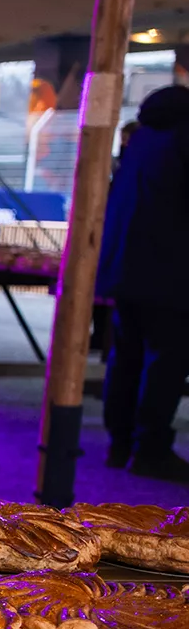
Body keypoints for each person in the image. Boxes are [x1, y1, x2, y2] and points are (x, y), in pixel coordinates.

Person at [96, 84, 189, 480]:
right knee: (165, 360)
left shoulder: (144, 138)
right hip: (170, 269)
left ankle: (121, 444)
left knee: (127, 356)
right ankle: (150, 448)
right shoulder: (183, 137)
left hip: (126, 267)